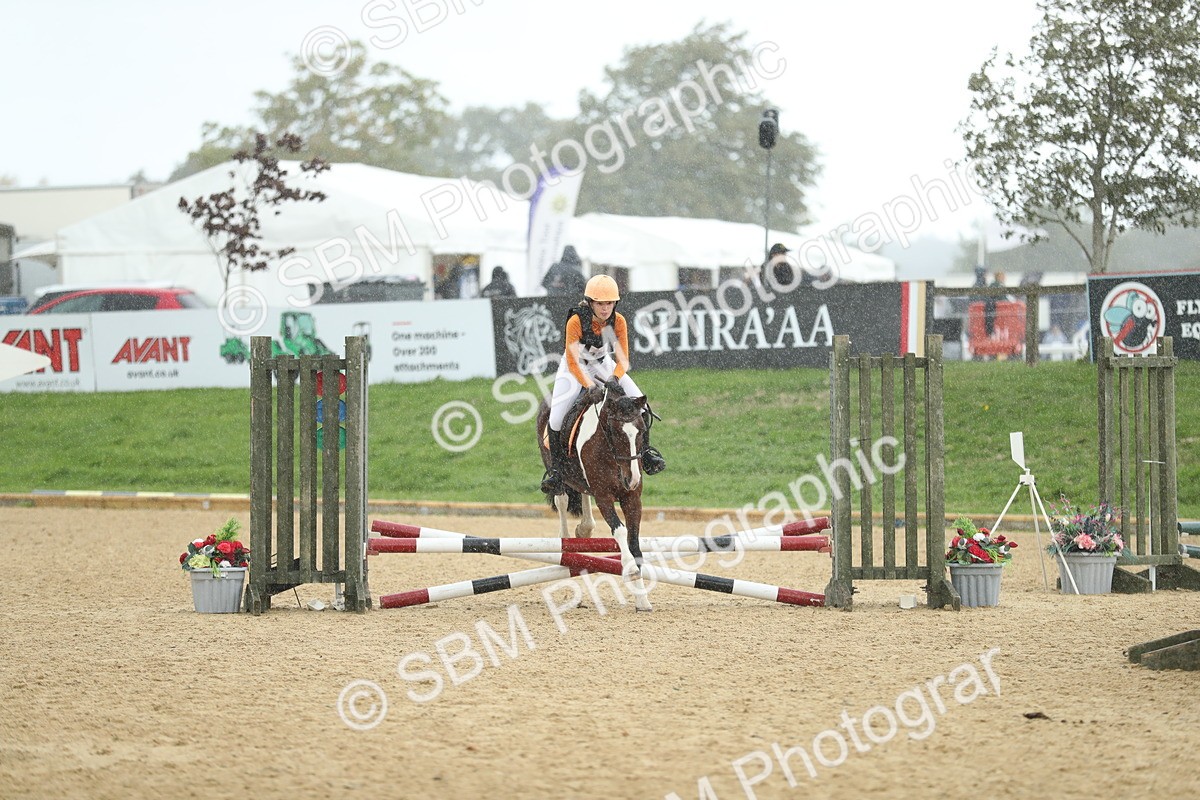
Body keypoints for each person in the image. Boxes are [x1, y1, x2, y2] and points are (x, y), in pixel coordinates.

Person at [540, 274, 666, 494]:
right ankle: (557, 473)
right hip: (574, 368)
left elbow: (623, 359)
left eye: (610, 303)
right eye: (600, 303)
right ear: (590, 302)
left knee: (642, 405)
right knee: (556, 417)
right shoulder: (576, 321)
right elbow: (572, 360)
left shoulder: (619, 321)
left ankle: (646, 453)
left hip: (603, 364)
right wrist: (589, 386)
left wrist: (614, 378)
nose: (605, 308)